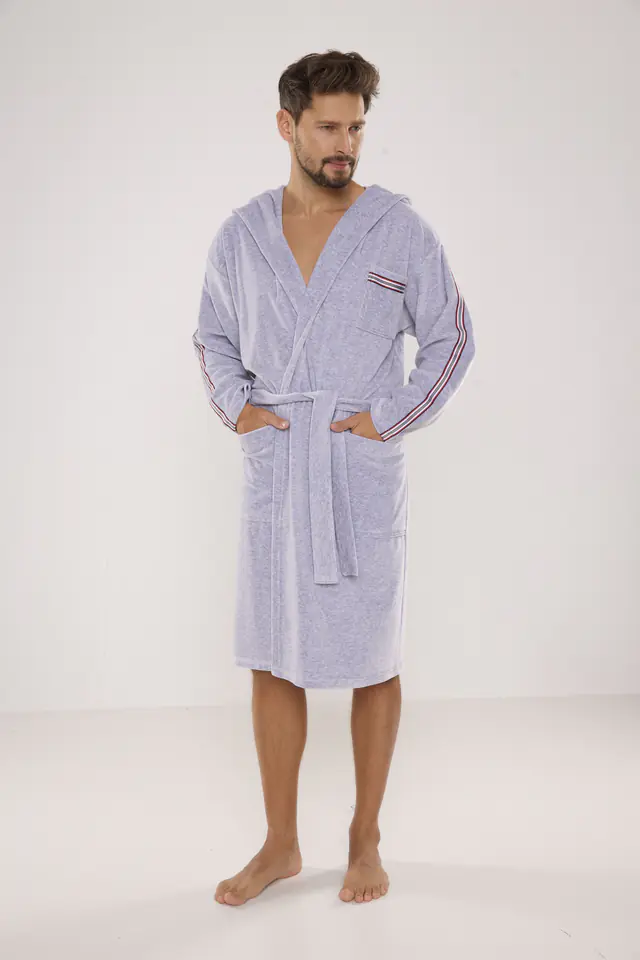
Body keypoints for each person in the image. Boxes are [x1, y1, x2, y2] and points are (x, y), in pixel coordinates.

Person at [192, 49, 476, 906]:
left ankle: (365, 837)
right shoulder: (242, 235)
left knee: (372, 656)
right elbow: (211, 336)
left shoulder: (398, 229)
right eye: (327, 127)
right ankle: (280, 844)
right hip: (279, 467)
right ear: (287, 126)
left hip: (357, 470)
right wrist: (239, 407)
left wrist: (388, 418)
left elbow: (453, 337)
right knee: (272, 656)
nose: (345, 143)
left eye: (356, 127)